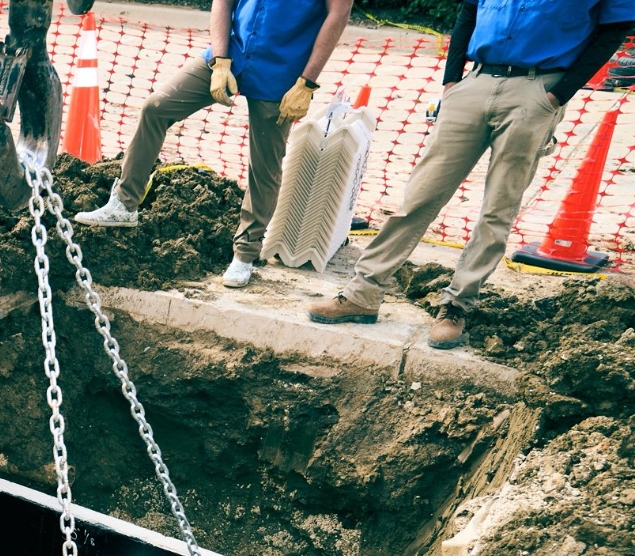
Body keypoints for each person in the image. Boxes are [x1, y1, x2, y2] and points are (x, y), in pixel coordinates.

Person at [309, 0, 635, 347]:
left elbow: (613, 28)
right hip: (476, 81)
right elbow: (469, 11)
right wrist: (452, 81)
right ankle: (362, 293)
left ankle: (456, 307)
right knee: (418, 196)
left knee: (498, 209)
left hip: (537, 88)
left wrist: (557, 94)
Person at [75, 0, 354, 289]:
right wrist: (220, 60)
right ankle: (124, 203)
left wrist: (307, 83)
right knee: (155, 108)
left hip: (282, 72)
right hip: (232, 53)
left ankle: (245, 253)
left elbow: (339, 13)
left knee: (265, 165)